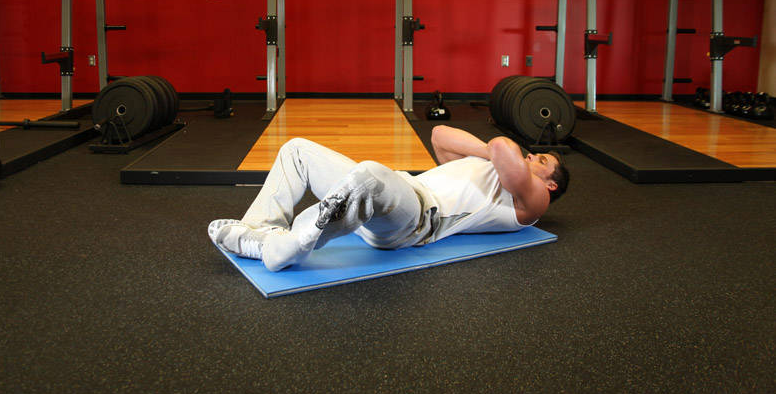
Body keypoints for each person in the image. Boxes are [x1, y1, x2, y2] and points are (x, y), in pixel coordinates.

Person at [208, 125, 569, 272]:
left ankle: (285, 248)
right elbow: (440, 134)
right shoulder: (492, 162)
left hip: (416, 220)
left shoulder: (532, 202)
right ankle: (261, 233)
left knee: (368, 174)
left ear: (550, 185)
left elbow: (505, 148)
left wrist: (500, 151)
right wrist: (484, 150)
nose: (533, 157)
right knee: (297, 150)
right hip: (390, 196)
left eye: (542, 160)